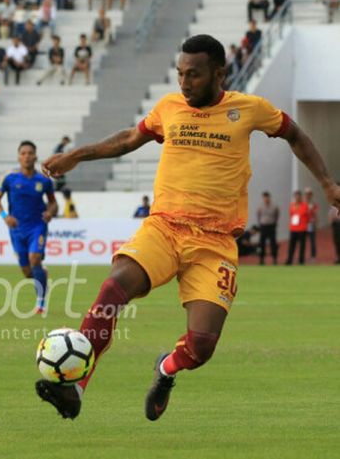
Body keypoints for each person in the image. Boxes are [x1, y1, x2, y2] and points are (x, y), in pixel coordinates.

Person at [36, 34, 340, 421]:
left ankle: (166, 370)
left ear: (219, 74)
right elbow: (131, 137)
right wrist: (76, 156)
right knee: (113, 288)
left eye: (193, 75)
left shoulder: (249, 109)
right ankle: (75, 387)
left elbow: (294, 134)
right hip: (164, 227)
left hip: (215, 242)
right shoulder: (170, 107)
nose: (184, 83)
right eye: (180, 74)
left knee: (201, 346)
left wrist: (328, 184)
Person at [0, 141, 58, 314]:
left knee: (35, 258)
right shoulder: (10, 178)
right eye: (23, 153)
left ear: (36, 156)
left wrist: (50, 213)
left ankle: (41, 303)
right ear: (18, 156)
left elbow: (53, 203)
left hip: (37, 226)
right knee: (28, 271)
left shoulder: (43, 180)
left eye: (30, 153)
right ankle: (42, 275)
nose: (27, 156)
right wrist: (5, 216)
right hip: (17, 229)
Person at [285, 190, 309, 265]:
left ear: (300, 197)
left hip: (302, 228)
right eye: (296, 196)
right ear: (294, 197)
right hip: (293, 228)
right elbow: (291, 215)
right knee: (291, 245)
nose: (297, 197)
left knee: (302, 245)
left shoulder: (304, 205)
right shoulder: (292, 205)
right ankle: (289, 260)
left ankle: (301, 260)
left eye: (299, 196)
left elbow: (305, 215)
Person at [257, 191, 279, 265]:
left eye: (267, 197)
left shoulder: (274, 206)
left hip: (271, 226)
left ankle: (274, 259)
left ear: (269, 198)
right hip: (263, 226)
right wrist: (260, 223)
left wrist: (275, 223)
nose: (266, 199)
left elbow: (277, 215)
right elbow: (258, 215)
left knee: (273, 243)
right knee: (262, 243)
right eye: (264, 198)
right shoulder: (260, 206)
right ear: (263, 198)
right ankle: (261, 259)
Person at [304, 187, 319, 262]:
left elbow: (315, 214)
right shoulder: (302, 203)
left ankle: (313, 256)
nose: (308, 196)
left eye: (309, 194)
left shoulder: (314, 204)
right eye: (307, 194)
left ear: (311, 195)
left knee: (312, 241)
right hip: (303, 225)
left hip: (311, 224)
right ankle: (302, 256)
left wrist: (316, 223)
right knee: (302, 241)